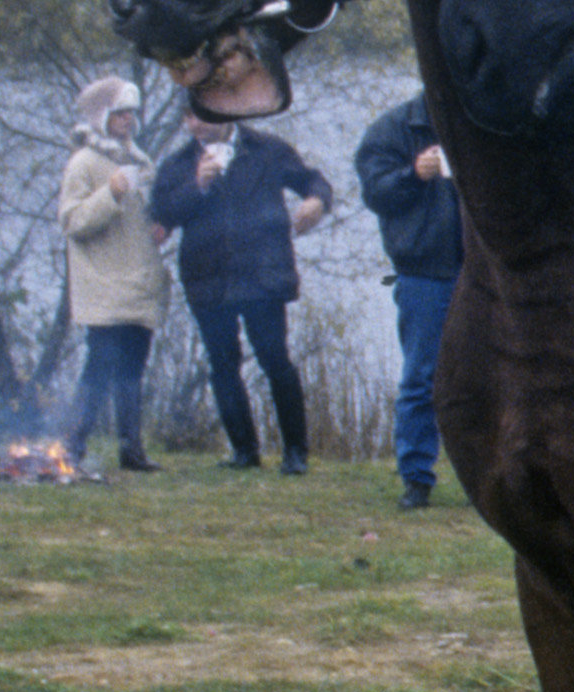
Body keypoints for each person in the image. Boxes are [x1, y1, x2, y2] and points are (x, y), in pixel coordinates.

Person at [150, 110, 330, 470]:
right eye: (188, 117)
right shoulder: (179, 163)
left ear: (223, 110)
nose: (195, 123)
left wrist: (316, 202)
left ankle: (295, 452)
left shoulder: (266, 148)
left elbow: (313, 180)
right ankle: (244, 452)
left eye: (201, 115)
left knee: (275, 359)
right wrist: (197, 186)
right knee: (222, 364)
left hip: (263, 274)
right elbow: (162, 213)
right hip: (207, 276)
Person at [353, 90, 457, 510]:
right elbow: (376, 194)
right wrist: (414, 174)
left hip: (484, 269)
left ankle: (492, 470)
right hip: (424, 273)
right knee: (421, 379)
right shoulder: (391, 129)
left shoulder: (477, 117)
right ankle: (416, 477)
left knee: (496, 373)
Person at [57, 74, 164, 473]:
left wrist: (160, 225)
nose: (128, 121)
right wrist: (111, 194)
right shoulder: (83, 163)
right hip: (103, 285)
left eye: (131, 114)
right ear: (102, 116)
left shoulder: (138, 161)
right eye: (120, 114)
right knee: (99, 368)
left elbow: (143, 221)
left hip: (137, 283)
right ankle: (71, 448)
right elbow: (72, 222)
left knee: (134, 368)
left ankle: (131, 451)